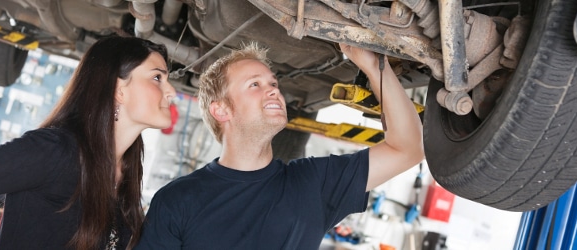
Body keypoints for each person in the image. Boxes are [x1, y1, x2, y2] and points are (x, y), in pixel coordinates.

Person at [135, 42, 424, 249]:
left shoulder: (314, 183)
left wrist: (374, 67)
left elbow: (408, 147)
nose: (274, 88)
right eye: (255, 84)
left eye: (273, 82)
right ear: (222, 110)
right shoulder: (178, 201)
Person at [0, 36, 177, 250]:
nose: (171, 92)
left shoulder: (126, 174)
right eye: (157, 78)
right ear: (119, 90)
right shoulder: (55, 151)